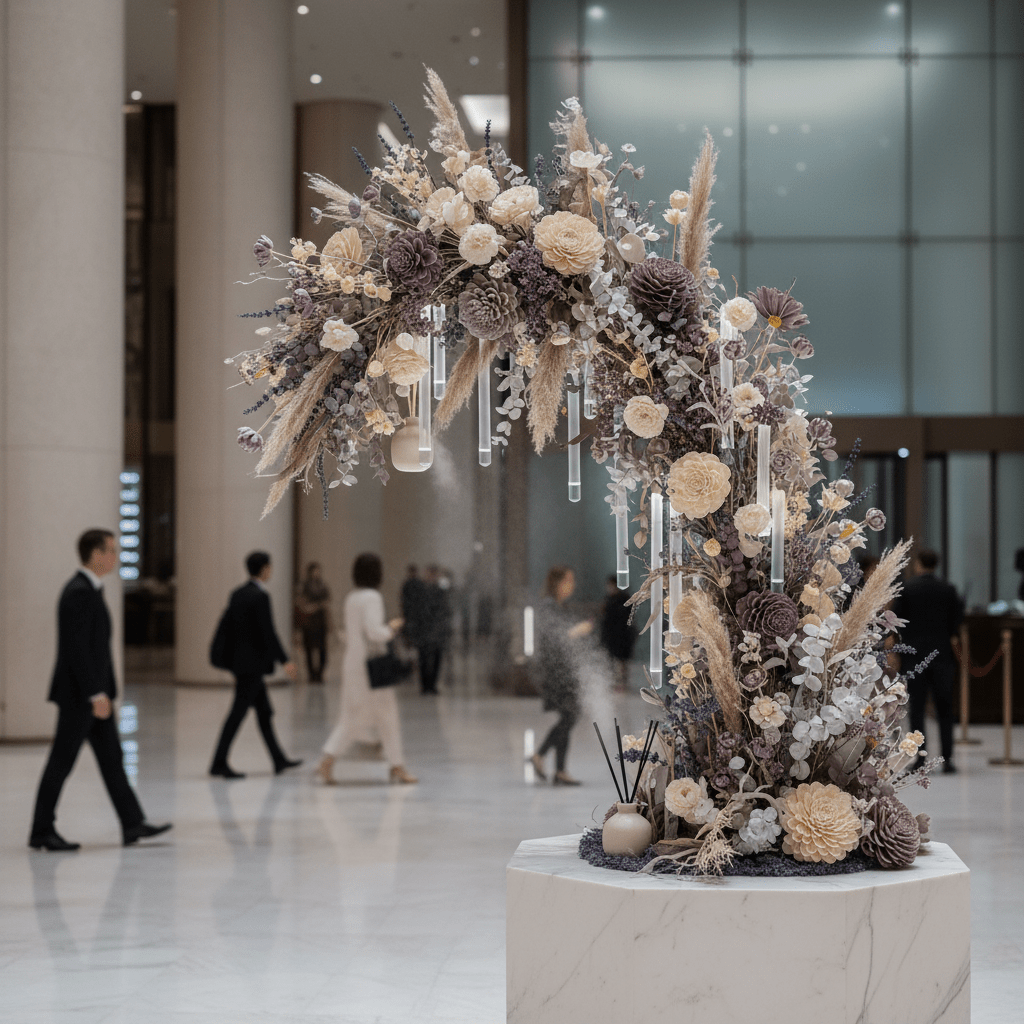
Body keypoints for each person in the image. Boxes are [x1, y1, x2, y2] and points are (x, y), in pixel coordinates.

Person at [29, 529, 172, 850]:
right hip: (82, 696)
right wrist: (95, 694)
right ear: (95, 554)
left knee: (112, 759)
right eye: (111, 550)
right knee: (61, 762)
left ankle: (132, 823)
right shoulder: (79, 592)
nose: (115, 556)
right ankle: (41, 830)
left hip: (93, 695)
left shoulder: (89, 590)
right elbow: (78, 650)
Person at [316, 553, 418, 785]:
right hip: (372, 667)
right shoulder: (372, 597)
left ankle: (329, 760)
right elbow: (374, 631)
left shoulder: (352, 597)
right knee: (386, 716)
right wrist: (391, 628)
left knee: (355, 716)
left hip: (353, 662)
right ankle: (396, 766)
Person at [209, 551, 302, 779]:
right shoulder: (260, 597)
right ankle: (219, 762)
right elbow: (268, 633)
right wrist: (285, 661)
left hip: (240, 664)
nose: (271, 571)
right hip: (252, 667)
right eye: (269, 567)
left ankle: (278, 759)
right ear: (264, 569)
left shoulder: (237, 594)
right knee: (237, 714)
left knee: (264, 713)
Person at [892, 548, 965, 774]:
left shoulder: (907, 589)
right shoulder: (948, 589)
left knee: (917, 710)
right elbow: (956, 624)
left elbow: (897, 623)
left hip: (914, 657)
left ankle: (919, 759)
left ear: (918, 564)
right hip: (942, 655)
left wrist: (898, 649)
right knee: (945, 708)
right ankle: (948, 759)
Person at [530, 566, 592, 786]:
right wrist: (577, 631)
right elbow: (554, 638)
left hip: (562, 671)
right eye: (569, 580)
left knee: (569, 716)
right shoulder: (549, 607)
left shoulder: (558, 606)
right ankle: (544, 757)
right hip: (555, 673)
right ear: (557, 582)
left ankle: (557, 768)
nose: (572, 585)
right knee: (569, 716)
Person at [410, 564, 452, 695]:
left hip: (436, 630)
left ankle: (432, 684)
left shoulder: (441, 591)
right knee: (423, 658)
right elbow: (416, 609)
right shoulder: (420, 589)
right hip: (423, 629)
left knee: (436, 658)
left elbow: (445, 610)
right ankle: (425, 685)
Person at [599, 575, 636, 692]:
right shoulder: (613, 598)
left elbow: (624, 617)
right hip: (614, 635)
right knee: (615, 661)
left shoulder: (621, 599)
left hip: (619, 635)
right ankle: (617, 683)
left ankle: (620, 683)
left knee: (620, 661)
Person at [298, 562, 331, 683]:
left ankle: (320, 673)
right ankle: (311, 674)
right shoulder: (304, 586)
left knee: (322, 648)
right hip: (309, 621)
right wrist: (314, 607)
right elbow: (302, 604)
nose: (317, 573)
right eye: (315, 570)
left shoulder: (323, 585)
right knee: (309, 649)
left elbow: (327, 603)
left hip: (320, 620)